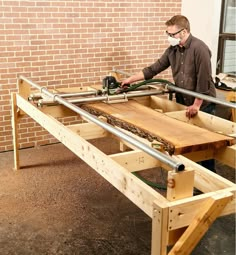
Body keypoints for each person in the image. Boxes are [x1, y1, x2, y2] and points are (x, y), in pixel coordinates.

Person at [121, 15, 216, 172]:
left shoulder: (200, 49)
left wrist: (197, 105)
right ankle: (188, 175)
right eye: (167, 34)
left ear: (184, 31)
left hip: (203, 103)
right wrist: (130, 80)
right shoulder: (173, 50)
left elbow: (203, 80)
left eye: (172, 34)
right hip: (184, 101)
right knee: (186, 141)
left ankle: (209, 180)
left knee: (205, 144)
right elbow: (154, 68)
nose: (169, 37)